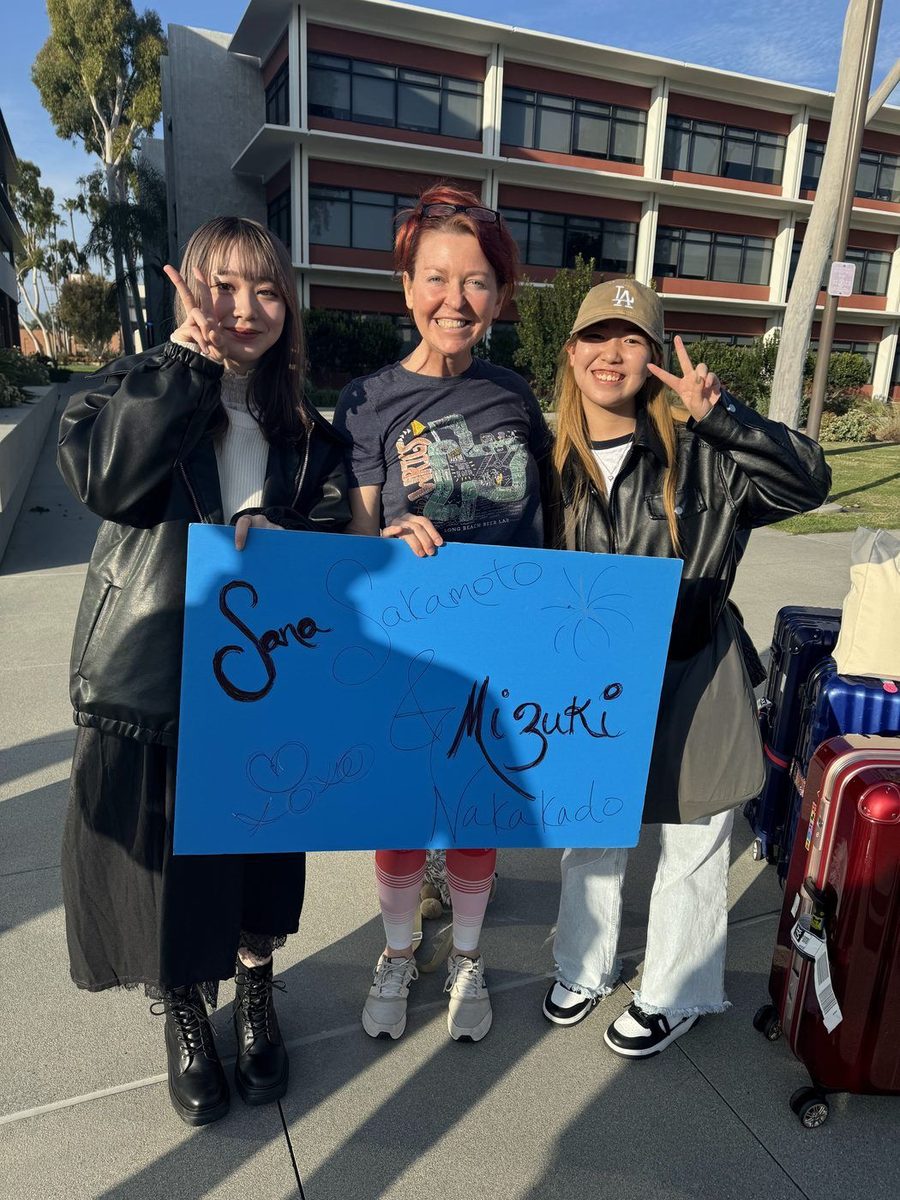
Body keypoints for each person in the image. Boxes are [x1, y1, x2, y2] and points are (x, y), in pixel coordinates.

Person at [58, 217, 350, 1125]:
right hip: (154, 669)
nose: (246, 309)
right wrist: (182, 366)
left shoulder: (304, 424)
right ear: (186, 288)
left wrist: (288, 536)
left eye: (267, 289)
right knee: (171, 872)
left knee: (264, 853)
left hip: (264, 679)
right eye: (222, 287)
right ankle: (185, 1010)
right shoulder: (128, 385)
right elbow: (112, 481)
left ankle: (256, 991)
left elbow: (338, 528)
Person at [541, 277, 830, 1056]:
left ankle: (676, 989)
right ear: (570, 354)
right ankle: (582, 962)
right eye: (597, 337)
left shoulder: (707, 455)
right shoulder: (548, 463)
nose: (613, 354)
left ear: (651, 356)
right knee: (593, 831)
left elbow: (810, 481)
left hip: (697, 665)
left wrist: (723, 416)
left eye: (632, 340)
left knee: (694, 838)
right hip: (589, 679)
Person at [332, 184, 555, 1043]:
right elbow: (357, 533)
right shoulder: (368, 401)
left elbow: (547, 525)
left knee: (476, 809)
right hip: (407, 644)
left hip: (498, 640)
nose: (453, 300)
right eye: (435, 277)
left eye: (475, 282)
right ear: (406, 285)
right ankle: (396, 952)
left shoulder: (516, 399)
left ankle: (465, 955)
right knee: (395, 810)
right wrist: (387, 533)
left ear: (498, 297)